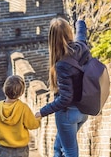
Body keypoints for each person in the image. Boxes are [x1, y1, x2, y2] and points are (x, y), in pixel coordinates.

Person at [35, 16, 89, 157]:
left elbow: (65, 98)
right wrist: (80, 22)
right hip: (83, 111)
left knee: (70, 152)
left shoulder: (61, 65)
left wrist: (42, 112)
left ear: (52, 40)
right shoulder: (81, 47)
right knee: (57, 148)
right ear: (69, 32)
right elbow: (81, 34)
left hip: (68, 114)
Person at [0, 75, 41, 157]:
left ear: (4, 89)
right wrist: (38, 118)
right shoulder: (23, 108)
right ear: (21, 92)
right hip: (21, 149)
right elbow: (33, 125)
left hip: (4, 149)